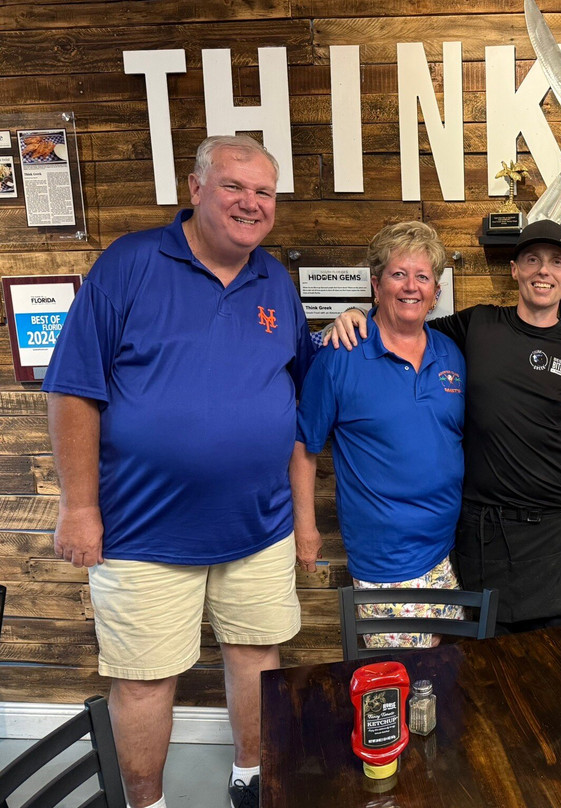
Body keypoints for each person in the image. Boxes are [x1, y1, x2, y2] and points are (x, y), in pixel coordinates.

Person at [42, 135, 314, 808]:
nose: (250, 203)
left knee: (258, 656)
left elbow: (299, 384)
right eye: (234, 186)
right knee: (143, 679)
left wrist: (349, 326)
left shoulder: (274, 281)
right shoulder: (130, 263)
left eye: (264, 192)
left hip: (259, 524)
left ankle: (252, 778)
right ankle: (147, 802)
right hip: (143, 529)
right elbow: (73, 388)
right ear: (195, 189)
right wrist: (80, 507)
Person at [330, 219, 561, 638]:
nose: (543, 271)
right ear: (515, 269)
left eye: (556, 262)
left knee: (557, 656)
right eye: (532, 259)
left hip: (553, 534)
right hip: (482, 531)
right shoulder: (477, 325)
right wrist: (356, 316)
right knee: (482, 658)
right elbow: (402, 326)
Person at [290, 221, 467, 648]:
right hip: (386, 561)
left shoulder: (450, 353)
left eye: (422, 277)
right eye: (398, 274)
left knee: (443, 668)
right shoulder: (341, 355)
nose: (411, 287)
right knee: (400, 678)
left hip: (447, 552)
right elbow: (303, 446)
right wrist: (305, 529)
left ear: (436, 291)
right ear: (375, 285)